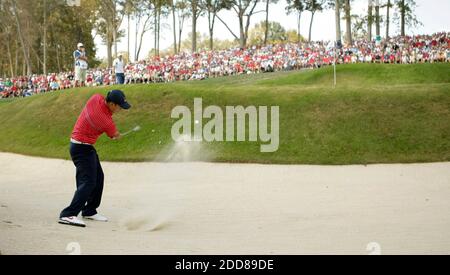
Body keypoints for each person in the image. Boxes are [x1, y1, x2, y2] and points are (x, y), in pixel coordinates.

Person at [59, 90, 131, 227]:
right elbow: (113, 134)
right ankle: (68, 214)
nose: (121, 109)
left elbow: (108, 124)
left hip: (83, 147)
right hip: (81, 149)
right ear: (111, 104)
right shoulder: (106, 121)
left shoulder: (95, 98)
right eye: (119, 106)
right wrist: (117, 135)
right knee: (88, 182)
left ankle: (89, 210)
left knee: (98, 177)